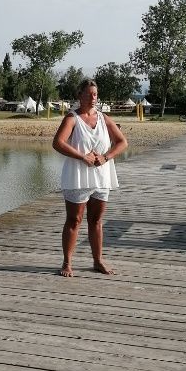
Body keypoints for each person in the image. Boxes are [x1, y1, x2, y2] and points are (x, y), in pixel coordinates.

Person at [52, 78, 128, 278]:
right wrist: (82, 156)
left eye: (95, 94)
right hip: (77, 176)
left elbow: (122, 142)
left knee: (96, 220)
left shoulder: (103, 118)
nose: (93, 98)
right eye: (88, 94)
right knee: (74, 220)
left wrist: (106, 157)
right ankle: (67, 262)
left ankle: (98, 261)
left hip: (101, 175)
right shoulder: (72, 118)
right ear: (80, 95)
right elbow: (58, 143)